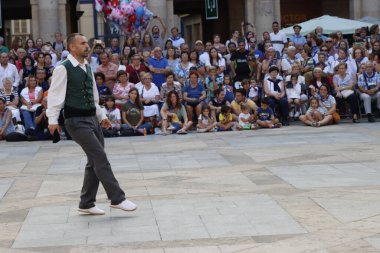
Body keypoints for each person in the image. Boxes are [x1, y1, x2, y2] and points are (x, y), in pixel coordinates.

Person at [47, 33, 136, 215]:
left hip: (92, 119)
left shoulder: (87, 66)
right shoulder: (63, 68)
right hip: (75, 120)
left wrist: (102, 115)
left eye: (86, 43)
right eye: (82, 43)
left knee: (93, 160)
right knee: (99, 157)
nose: (87, 46)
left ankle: (86, 203)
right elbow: (55, 96)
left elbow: (94, 96)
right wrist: (53, 120)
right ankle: (117, 198)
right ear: (72, 47)